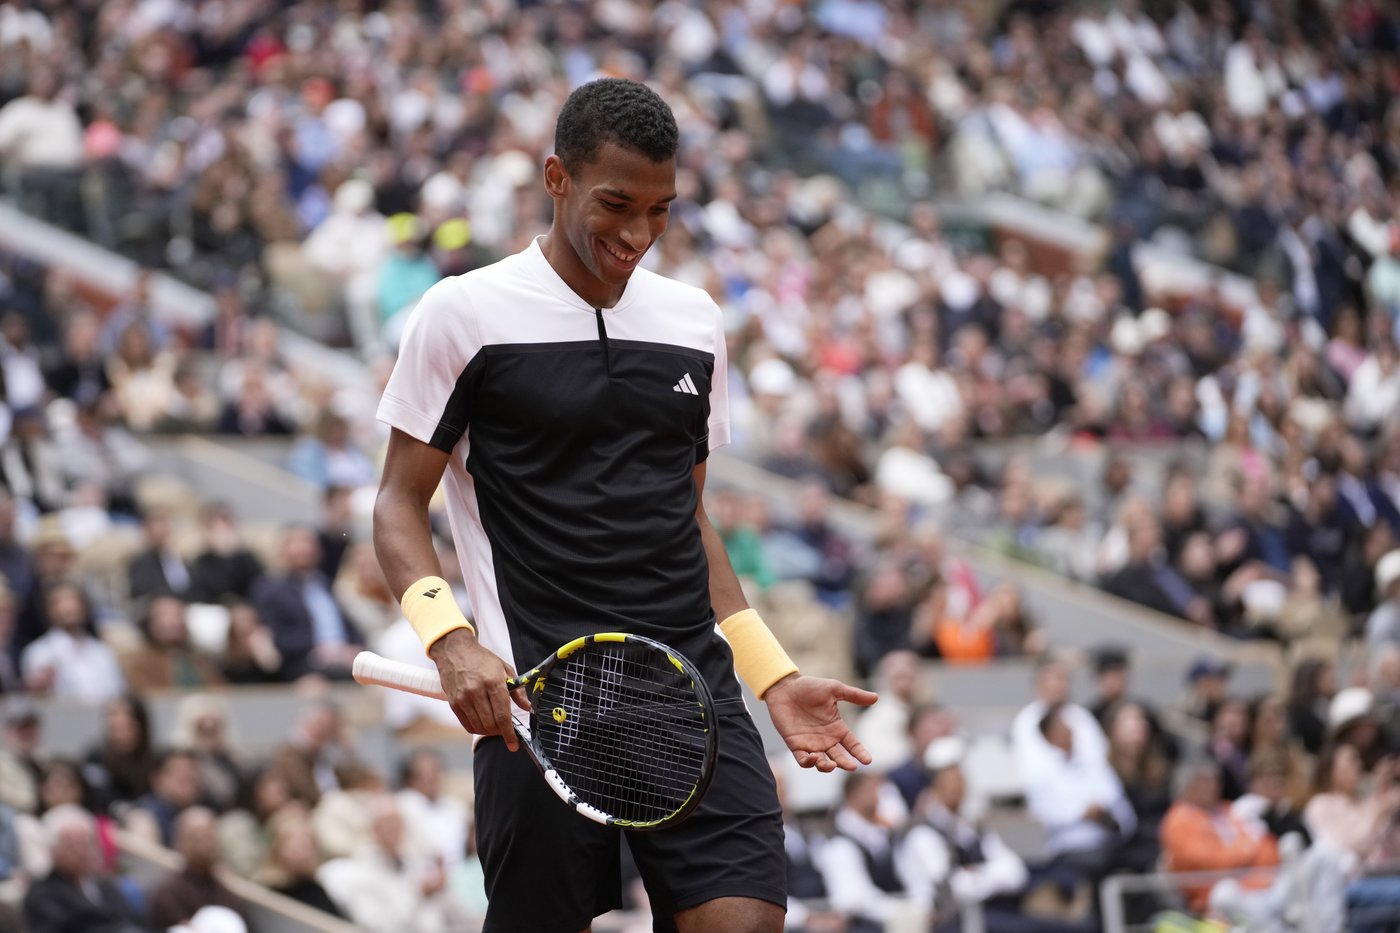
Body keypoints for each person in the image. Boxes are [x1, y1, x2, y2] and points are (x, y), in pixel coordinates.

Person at [372, 78, 877, 933]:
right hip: (536, 702)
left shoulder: (694, 321)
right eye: (617, 204)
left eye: (662, 210)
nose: (638, 234)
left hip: (691, 689)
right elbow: (395, 504)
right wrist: (450, 640)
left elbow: (691, 521)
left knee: (745, 923)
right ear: (556, 178)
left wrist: (771, 675)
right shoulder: (463, 313)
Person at [147, 807, 246, 930]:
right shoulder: (168, 895)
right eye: (196, 837)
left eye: (209, 837)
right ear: (179, 842)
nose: (204, 845)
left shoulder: (228, 897)